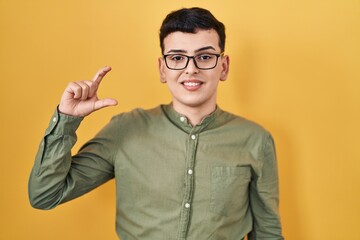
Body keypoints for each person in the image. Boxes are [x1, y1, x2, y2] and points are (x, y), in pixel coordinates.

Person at [28, 7, 284, 240]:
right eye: (177, 58)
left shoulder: (255, 140)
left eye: (205, 57)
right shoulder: (124, 130)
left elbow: (267, 232)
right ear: (163, 68)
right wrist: (66, 119)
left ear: (224, 66)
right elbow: (45, 194)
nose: (191, 69)